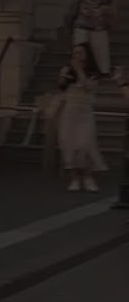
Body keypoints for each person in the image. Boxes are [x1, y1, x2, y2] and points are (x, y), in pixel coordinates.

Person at [56, 43, 107, 192]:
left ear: (86, 55)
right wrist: (63, 75)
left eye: (80, 53)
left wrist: (78, 70)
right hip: (69, 112)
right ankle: (75, 179)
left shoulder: (93, 73)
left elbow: (88, 87)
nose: (77, 56)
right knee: (69, 145)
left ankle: (88, 177)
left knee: (84, 145)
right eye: (75, 53)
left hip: (84, 113)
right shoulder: (67, 70)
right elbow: (61, 87)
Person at [73, 0, 116, 77]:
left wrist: (112, 16)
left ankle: (104, 70)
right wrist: (72, 13)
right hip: (82, 18)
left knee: (100, 47)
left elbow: (112, 2)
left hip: (98, 20)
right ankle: (80, 70)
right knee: (79, 46)